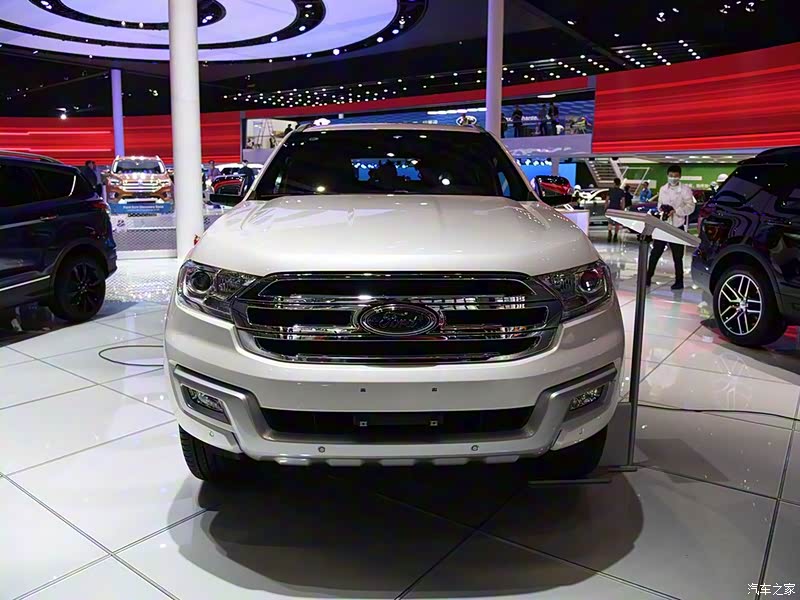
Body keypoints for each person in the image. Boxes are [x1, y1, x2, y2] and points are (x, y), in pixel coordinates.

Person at [646, 165, 697, 290]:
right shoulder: (663, 189)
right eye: (671, 176)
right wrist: (662, 210)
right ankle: (647, 277)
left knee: (677, 256)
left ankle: (679, 281)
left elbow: (690, 206)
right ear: (667, 175)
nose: (673, 178)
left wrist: (676, 211)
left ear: (680, 176)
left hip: (677, 226)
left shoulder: (685, 190)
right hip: (663, 225)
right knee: (655, 253)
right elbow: (659, 204)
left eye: (675, 176)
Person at [605, 177, 625, 242]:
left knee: (610, 222)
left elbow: (607, 200)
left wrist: (605, 207)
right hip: (618, 208)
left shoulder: (610, 190)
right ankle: (615, 236)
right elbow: (623, 201)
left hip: (610, 208)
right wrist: (622, 209)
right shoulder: (621, 191)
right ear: (619, 183)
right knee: (617, 223)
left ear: (614, 183)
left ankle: (609, 233)